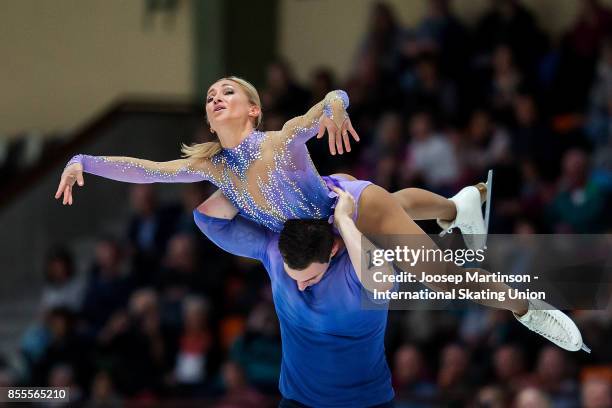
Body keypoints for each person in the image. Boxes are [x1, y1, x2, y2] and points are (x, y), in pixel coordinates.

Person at [55, 76, 587, 354]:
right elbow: (148, 170)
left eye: (229, 92)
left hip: (348, 207)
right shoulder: (215, 169)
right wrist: (85, 161)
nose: (216, 97)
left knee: (436, 273)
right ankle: (458, 205)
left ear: (253, 109)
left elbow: (324, 105)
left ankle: (527, 307)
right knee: (403, 208)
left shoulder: (281, 140)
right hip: (326, 232)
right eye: (211, 95)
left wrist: (335, 105)